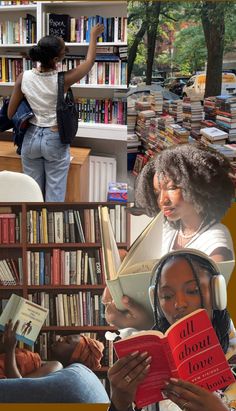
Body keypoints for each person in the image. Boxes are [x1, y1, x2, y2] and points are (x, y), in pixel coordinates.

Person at [102, 143, 235, 329]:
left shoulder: (216, 237)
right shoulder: (169, 229)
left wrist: (149, 324)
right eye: (157, 191)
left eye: (172, 188)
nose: (162, 200)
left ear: (198, 185)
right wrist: (119, 287)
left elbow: (209, 310)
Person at [107, 250, 236, 411]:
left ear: (217, 293)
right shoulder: (151, 362)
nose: (178, 304)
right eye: (166, 296)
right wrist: (120, 407)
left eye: (192, 290)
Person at [7, 24, 104, 201]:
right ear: (57, 59)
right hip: (54, 137)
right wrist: (92, 36)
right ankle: (52, 228)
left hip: (30, 139)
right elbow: (89, 62)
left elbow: (10, 113)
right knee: (55, 196)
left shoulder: (23, 77)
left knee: (32, 194)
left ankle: (33, 227)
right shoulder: (63, 80)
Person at [0, 320, 104, 379]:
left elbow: (18, 386)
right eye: (64, 336)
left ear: (74, 356)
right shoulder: (43, 363)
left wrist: (10, 349)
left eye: (67, 341)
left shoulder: (56, 366)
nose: (60, 338)